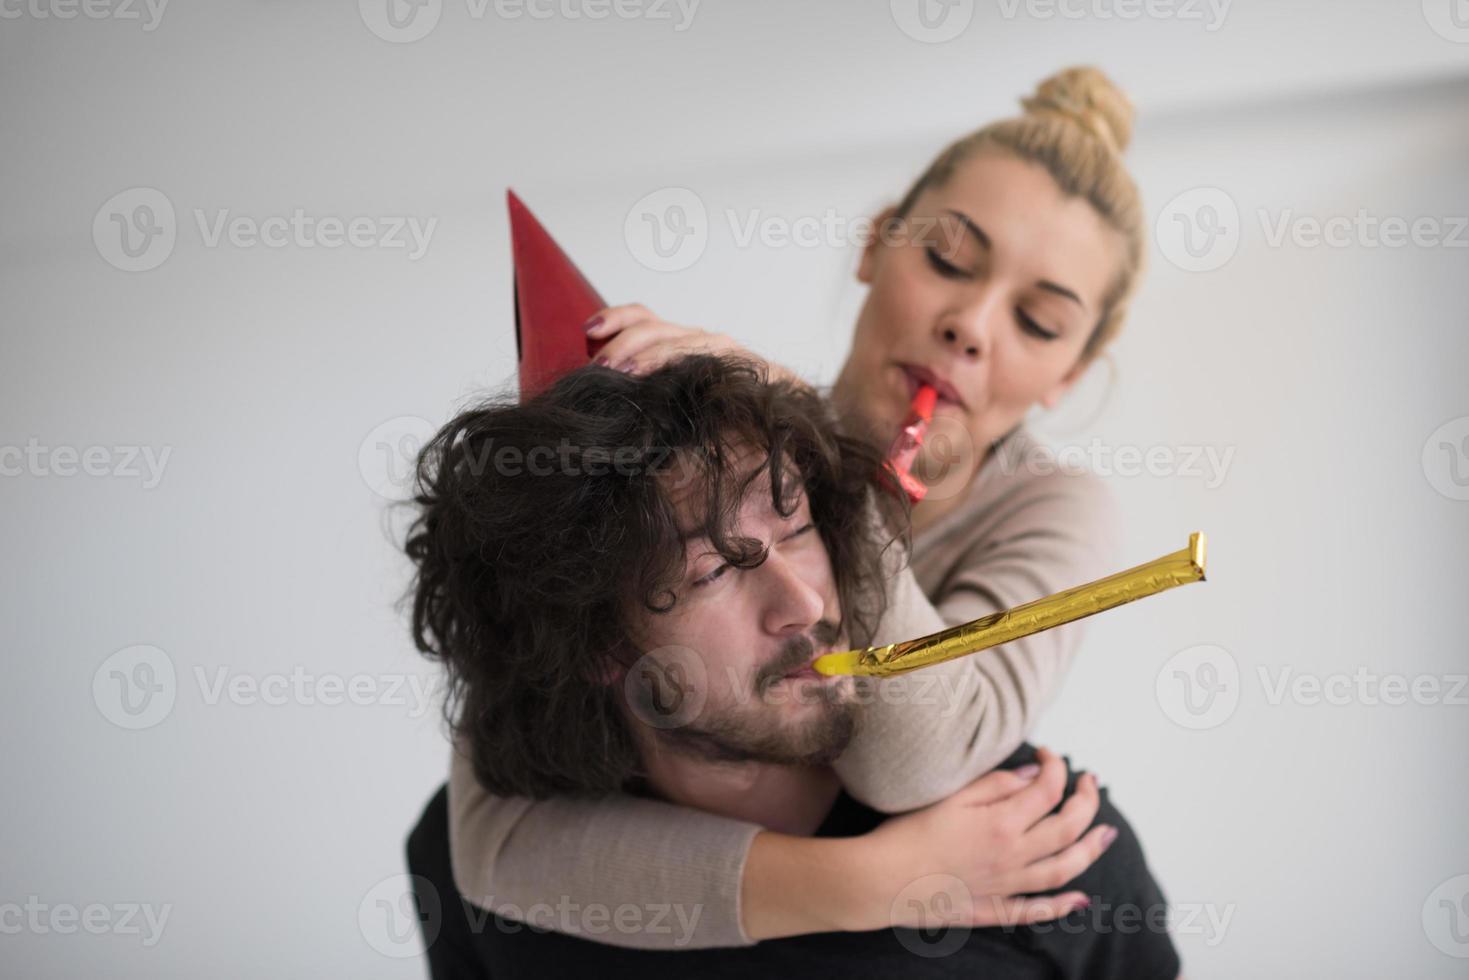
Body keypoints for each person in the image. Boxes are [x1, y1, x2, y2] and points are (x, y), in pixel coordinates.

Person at [444, 64, 1157, 950]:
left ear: (1069, 374)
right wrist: (876, 882)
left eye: (1039, 323)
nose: (971, 324)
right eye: (946, 260)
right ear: (873, 244)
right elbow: (488, 839)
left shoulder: (1054, 514)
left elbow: (913, 761)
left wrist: (829, 461)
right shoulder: (713, 447)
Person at [404, 354, 1178, 978]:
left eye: (798, 527)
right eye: (713, 571)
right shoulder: (470, 866)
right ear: (599, 643)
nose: (802, 604)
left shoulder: (1043, 847)